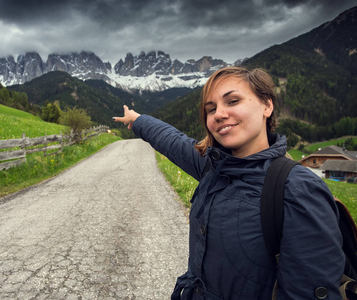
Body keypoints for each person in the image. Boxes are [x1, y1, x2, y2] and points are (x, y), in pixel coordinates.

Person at [113, 66, 344, 300]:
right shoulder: (213, 166)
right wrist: (137, 120)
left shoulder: (298, 189)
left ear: (267, 105)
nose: (218, 114)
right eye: (210, 109)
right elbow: (172, 140)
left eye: (232, 101)